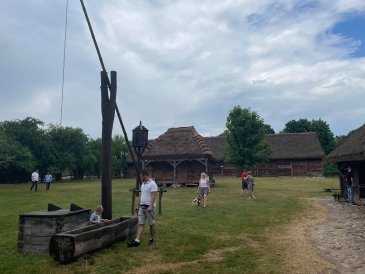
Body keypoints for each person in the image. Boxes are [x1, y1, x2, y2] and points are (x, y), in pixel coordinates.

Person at [128, 169, 158, 247]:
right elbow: (142, 196)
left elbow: (154, 195)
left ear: (145, 175)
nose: (140, 178)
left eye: (141, 176)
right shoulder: (143, 184)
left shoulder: (153, 184)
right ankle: (137, 241)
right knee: (140, 223)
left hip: (149, 207)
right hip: (142, 207)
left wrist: (150, 206)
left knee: (151, 223)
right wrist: (138, 206)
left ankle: (152, 239)